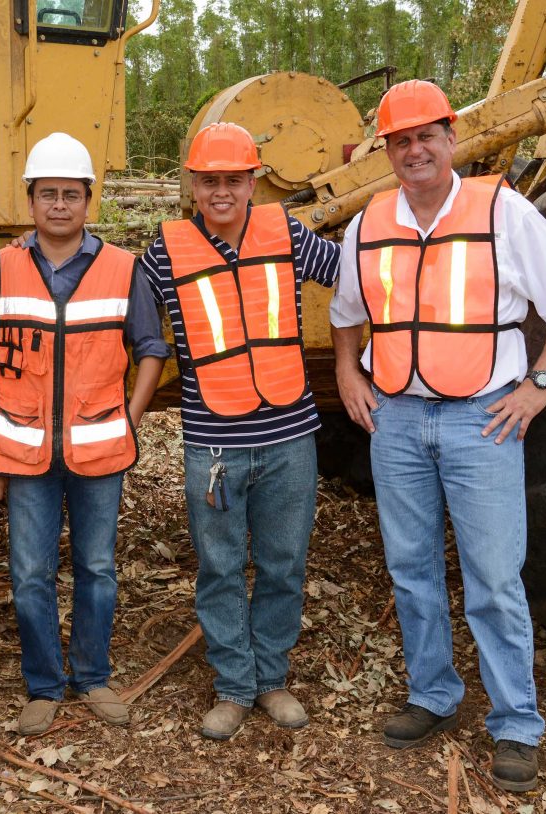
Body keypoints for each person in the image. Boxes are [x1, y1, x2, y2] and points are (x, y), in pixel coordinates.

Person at [330, 80, 546, 792]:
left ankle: (515, 724)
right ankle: (433, 695)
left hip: (483, 418)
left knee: (492, 578)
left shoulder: (502, 211)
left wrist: (539, 383)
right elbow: (346, 311)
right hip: (397, 419)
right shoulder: (370, 222)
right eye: (400, 139)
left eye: (427, 136)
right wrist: (347, 373)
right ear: (386, 151)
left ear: (451, 138)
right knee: (411, 568)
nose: (414, 150)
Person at [139, 122, 340, 740]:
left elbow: (355, 279)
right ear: (193, 185)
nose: (221, 191)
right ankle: (233, 686)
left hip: (289, 436)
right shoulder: (165, 252)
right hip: (214, 442)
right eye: (209, 180)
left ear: (253, 181)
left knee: (283, 562)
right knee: (220, 567)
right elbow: (124, 319)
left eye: (233, 179)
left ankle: (271, 679)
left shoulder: (288, 233)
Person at [0, 132, 169, 736]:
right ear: (30, 201)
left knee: (96, 567)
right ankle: (43, 685)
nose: (59, 205)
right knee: (29, 572)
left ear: (89, 201)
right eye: (47, 195)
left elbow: (151, 349)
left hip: (97, 451)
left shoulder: (122, 269)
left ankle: (91, 676)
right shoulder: (1, 269)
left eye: (71, 195)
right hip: (25, 450)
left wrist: (129, 420)